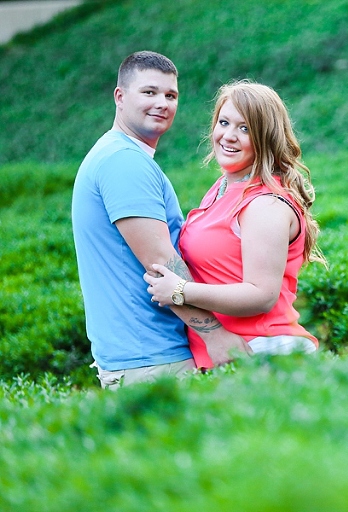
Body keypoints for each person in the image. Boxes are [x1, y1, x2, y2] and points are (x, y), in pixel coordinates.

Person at [72, 51, 248, 389]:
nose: (162, 103)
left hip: (146, 355)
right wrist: (215, 335)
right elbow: (160, 263)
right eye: (149, 92)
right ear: (120, 97)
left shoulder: (120, 156)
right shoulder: (124, 163)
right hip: (153, 359)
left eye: (171, 95)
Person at [144, 80, 325, 369]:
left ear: (266, 137)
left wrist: (180, 290)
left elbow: (261, 294)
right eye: (224, 122)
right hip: (230, 356)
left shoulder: (264, 204)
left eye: (245, 129)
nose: (229, 136)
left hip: (264, 353)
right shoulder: (222, 188)